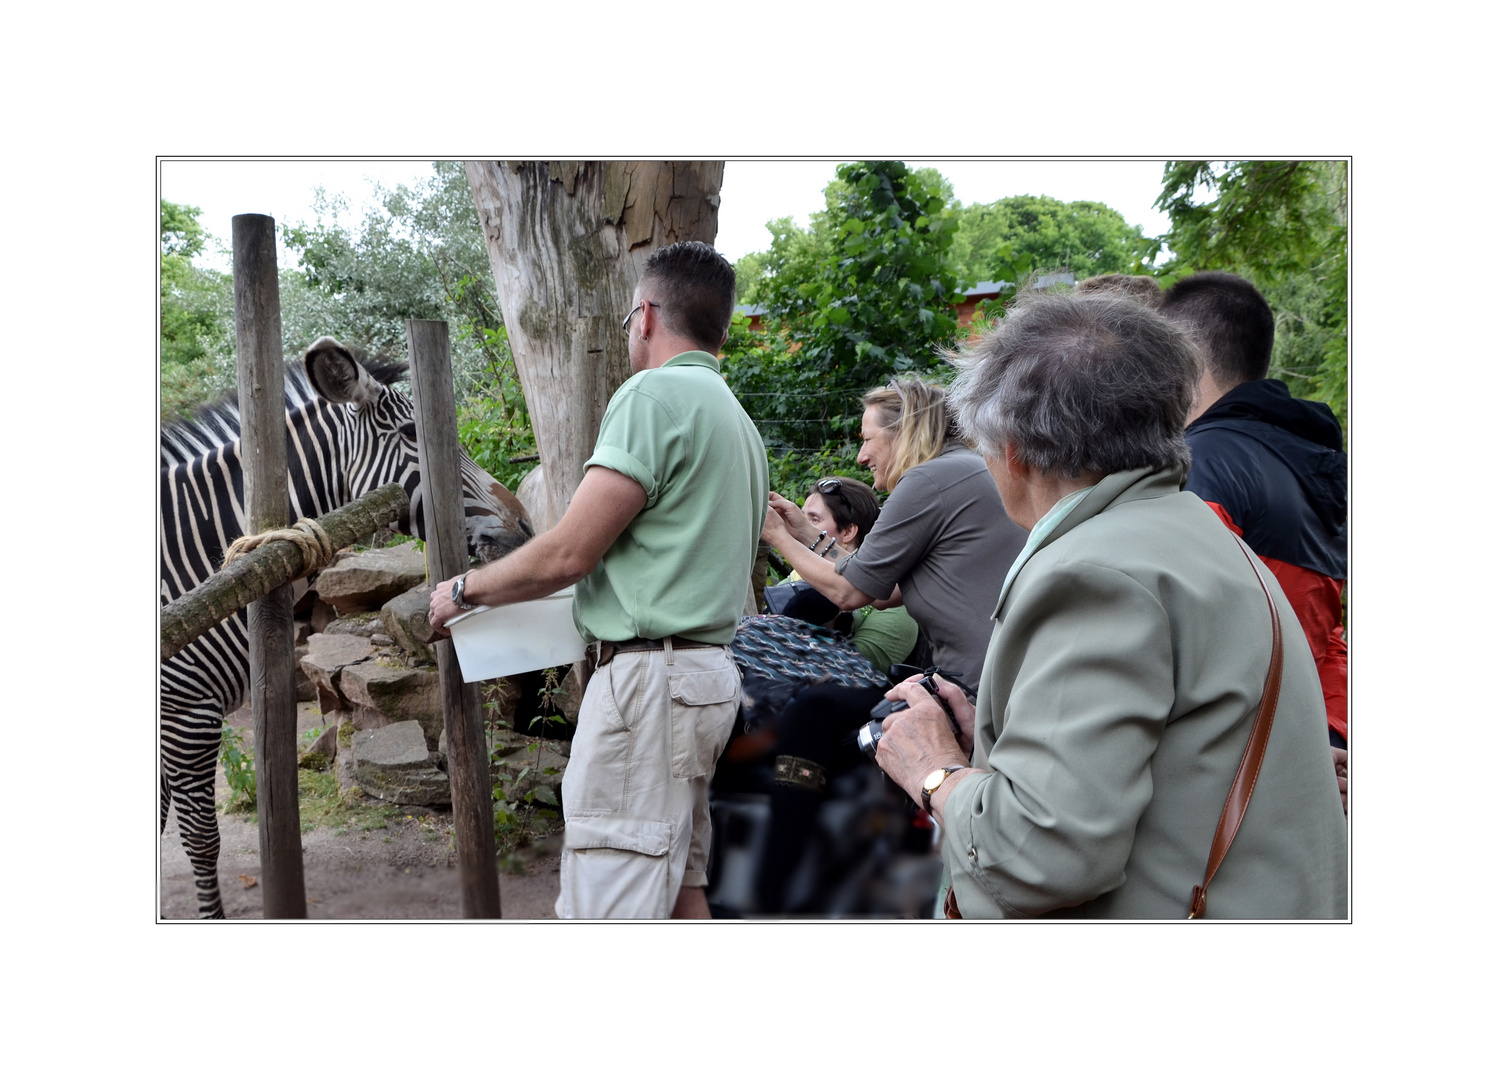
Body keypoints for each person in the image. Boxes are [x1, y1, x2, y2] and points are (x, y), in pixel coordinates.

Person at [874, 292, 1347, 919]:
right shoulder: (1196, 533)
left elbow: (1041, 857)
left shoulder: (1095, 574)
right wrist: (990, 752)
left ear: (1012, 449)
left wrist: (935, 772)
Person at [427, 241, 768, 919]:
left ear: (645, 315)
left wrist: (465, 590)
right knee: (681, 891)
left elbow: (569, 554)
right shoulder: (736, 417)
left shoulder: (653, 395)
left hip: (649, 691)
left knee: (603, 908)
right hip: (707, 682)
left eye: (626, 320)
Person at [1158, 271, 1349, 810]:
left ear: (1186, 359)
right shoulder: (1313, 457)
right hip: (1322, 724)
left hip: (1253, 757)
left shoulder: (1205, 462)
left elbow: (1190, 641)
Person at [729, 476, 921, 913]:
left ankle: (774, 886)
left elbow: (863, 668)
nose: (804, 530)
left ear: (847, 531)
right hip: (775, 697)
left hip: (840, 700)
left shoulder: (889, 595)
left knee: (811, 711)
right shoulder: (805, 572)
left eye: (815, 521)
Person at [761, 376, 1026, 690]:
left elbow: (849, 593)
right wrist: (806, 533)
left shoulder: (929, 480)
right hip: (1002, 672)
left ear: (904, 433)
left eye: (867, 439)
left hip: (980, 683)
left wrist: (778, 535)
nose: (860, 456)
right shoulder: (960, 468)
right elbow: (883, 590)